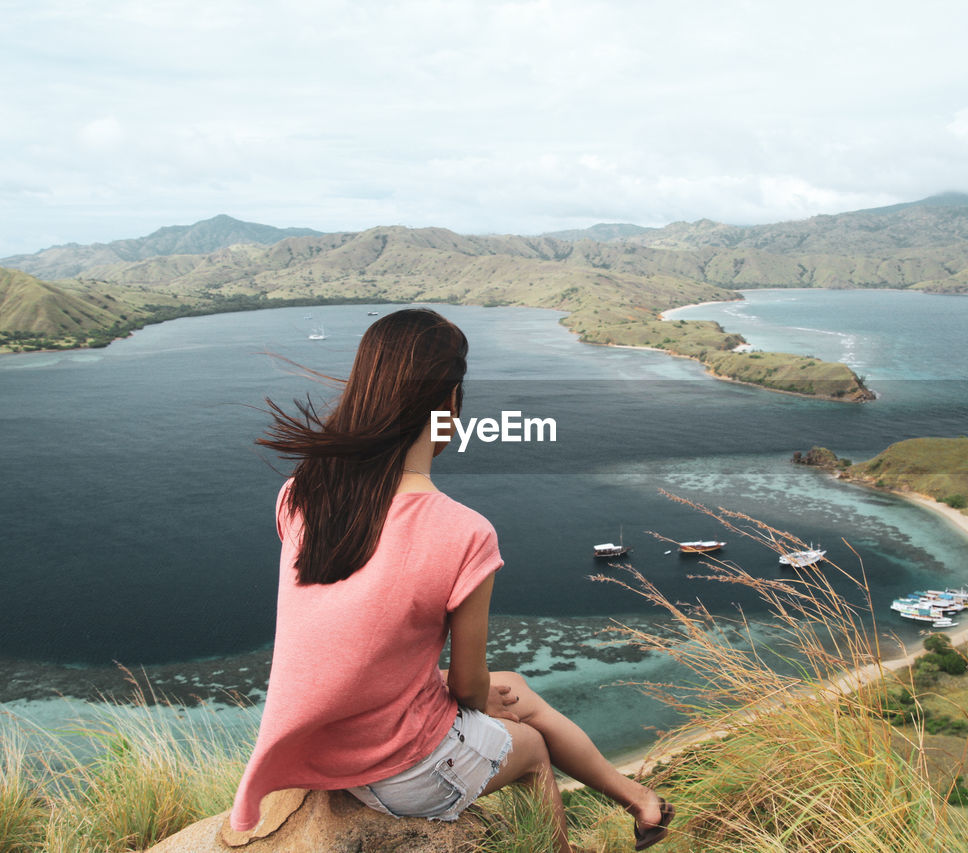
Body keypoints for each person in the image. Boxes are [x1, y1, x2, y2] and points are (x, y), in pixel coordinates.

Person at [230, 309, 673, 852]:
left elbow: (352, 615)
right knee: (531, 747)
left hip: (319, 744)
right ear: (449, 407)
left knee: (516, 689)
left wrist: (482, 697)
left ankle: (641, 801)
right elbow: (467, 687)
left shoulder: (299, 495)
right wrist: (478, 703)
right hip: (385, 765)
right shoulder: (463, 531)